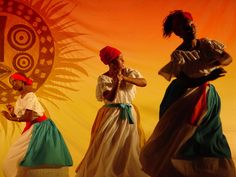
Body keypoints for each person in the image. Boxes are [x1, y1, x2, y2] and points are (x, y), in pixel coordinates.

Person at [140, 10, 235, 177]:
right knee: (181, 135)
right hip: (184, 95)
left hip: (207, 95)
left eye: (190, 24)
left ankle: (212, 171)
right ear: (177, 33)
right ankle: (180, 170)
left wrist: (220, 61)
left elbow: (227, 58)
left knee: (209, 133)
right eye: (184, 27)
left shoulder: (207, 45)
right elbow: (185, 81)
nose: (189, 28)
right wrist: (208, 76)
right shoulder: (179, 55)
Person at [75, 46, 149, 177]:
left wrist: (125, 79)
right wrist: (116, 83)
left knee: (129, 144)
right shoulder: (103, 78)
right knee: (108, 144)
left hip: (128, 114)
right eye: (120, 59)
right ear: (112, 63)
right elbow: (109, 97)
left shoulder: (129, 72)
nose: (123, 60)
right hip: (111, 115)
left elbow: (143, 82)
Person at [1, 72, 73, 177]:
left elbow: (28, 117)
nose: (13, 84)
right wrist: (12, 111)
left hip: (41, 127)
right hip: (32, 127)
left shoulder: (30, 96)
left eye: (15, 81)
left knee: (31, 153)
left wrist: (10, 117)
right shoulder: (21, 98)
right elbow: (20, 115)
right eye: (11, 82)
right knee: (15, 154)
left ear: (22, 81)